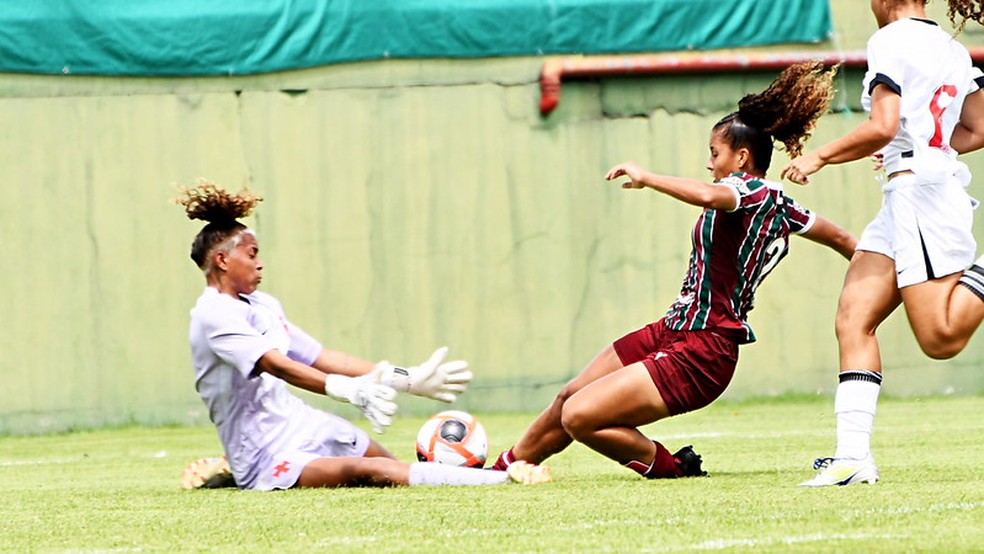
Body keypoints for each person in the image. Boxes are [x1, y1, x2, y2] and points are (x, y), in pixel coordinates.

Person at [490, 62, 858, 480]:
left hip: (705, 350)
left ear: (741, 157)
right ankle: (502, 469)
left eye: (714, 154)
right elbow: (847, 242)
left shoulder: (751, 191)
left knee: (579, 415)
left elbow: (709, 193)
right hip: (676, 327)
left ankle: (674, 468)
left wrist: (648, 176)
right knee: (569, 395)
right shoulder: (782, 203)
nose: (709, 164)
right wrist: (880, 277)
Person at [174, 181, 551, 490]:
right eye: (252, 253)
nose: (260, 262)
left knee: (391, 469)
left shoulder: (263, 304)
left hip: (303, 422)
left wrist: (407, 379)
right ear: (223, 260)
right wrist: (348, 390)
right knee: (369, 473)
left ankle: (481, 477)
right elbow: (278, 366)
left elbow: (319, 356)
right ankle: (502, 479)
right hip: (264, 453)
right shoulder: (213, 314)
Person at [781, 0, 984, 486]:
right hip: (908, 193)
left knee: (940, 338)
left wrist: (820, 157)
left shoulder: (890, 39)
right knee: (854, 318)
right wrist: (918, 150)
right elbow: (978, 127)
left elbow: (883, 125)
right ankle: (852, 458)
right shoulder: (951, 48)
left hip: (924, 200)